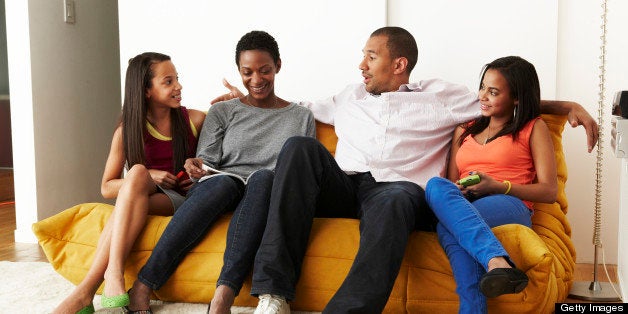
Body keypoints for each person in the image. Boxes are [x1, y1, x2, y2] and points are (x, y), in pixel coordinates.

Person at [214, 26, 598, 314]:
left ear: (399, 64)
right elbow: (295, 106)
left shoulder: (441, 97)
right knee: (299, 147)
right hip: (344, 186)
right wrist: (245, 99)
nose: (361, 65)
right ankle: (274, 294)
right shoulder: (348, 96)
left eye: (370, 56)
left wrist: (567, 105)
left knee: (398, 196)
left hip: (396, 193)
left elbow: (502, 99)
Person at [125, 31, 316, 314]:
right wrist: (195, 165)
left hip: (267, 189)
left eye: (265, 70)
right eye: (247, 72)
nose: (256, 80)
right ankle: (143, 284)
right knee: (222, 184)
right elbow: (207, 161)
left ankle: (221, 299)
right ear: (239, 71)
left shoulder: (301, 116)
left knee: (263, 179)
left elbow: (298, 170)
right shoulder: (223, 111)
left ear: (278, 65)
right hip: (223, 184)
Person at [52, 52, 205, 314]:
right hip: (146, 197)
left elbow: (222, 143)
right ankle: (89, 292)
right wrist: (150, 174)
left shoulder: (193, 120)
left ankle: (104, 279)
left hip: (181, 200)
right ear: (146, 90)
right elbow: (107, 187)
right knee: (135, 174)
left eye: (177, 79)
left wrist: (233, 101)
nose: (178, 86)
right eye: (168, 81)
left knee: (135, 174)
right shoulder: (127, 131)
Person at [424, 56, 556, 314]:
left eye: (493, 92)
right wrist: (462, 188)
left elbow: (549, 191)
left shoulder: (532, 128)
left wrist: (497, 186)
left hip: (510, 203)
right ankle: (497, 262)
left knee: (448, 226)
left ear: (516, 98)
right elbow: (452, 183)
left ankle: (473, 308)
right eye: (482, 87)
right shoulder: (465, 128)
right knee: (436, 186)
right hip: (466, 201)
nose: (482, 96)